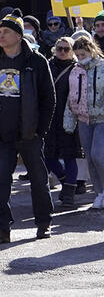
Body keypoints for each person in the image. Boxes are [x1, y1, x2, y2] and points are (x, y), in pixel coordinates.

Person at [0, 14, 55, 243]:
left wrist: (40, 130)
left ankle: (44, 223)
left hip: (30, 134)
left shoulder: (36, 61)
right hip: (1, 133)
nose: (1, 35)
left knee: (38, 180)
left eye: (6, 32)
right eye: (0, 32)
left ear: (18, 35)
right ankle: (1, 229)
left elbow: (48, 98)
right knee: (0, 182)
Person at [65, 36, 104, 209]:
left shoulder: (102, 66)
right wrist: (69, 120)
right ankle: (99, 193)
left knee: (99, 156)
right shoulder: (75, 70)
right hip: (83, 119)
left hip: (102, 118)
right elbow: (71, 96)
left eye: (83, 54)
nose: (80, 57)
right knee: (89, 159)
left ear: (92, 50)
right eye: (78, 55)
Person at [45, 36, 82, 207]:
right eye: (59, 48)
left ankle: (69, 192)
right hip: (49, 117)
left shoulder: (77, 69)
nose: (62, 52)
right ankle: (66, 180)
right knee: (48, 156)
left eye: (66, 49)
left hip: (69, 117)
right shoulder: (47, 65)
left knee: (69, 155)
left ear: (72, 51)